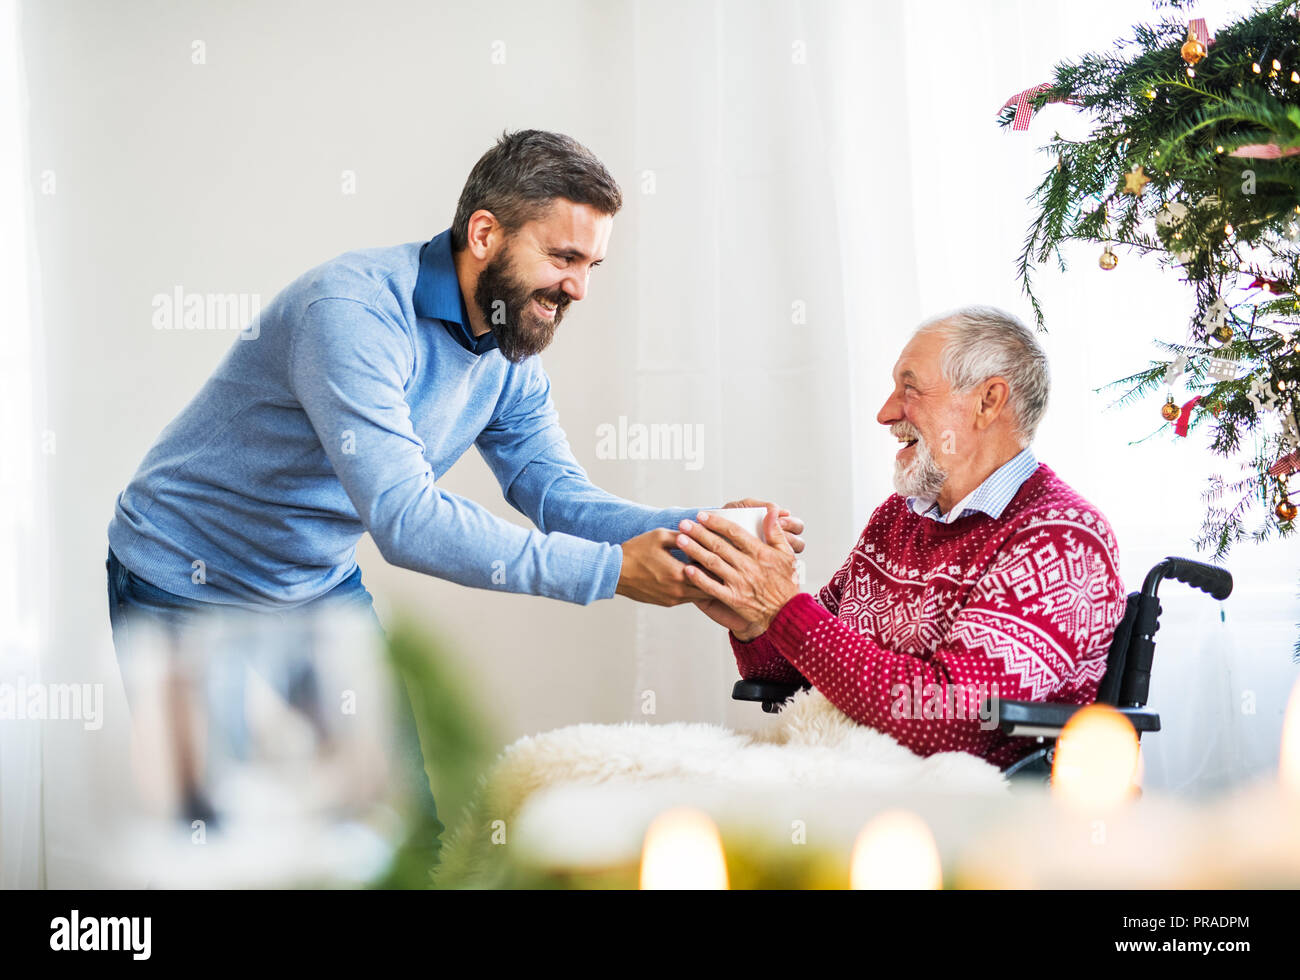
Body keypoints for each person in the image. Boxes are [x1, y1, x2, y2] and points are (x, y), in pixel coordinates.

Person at [106, 130, 804, 874]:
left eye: (592, 265)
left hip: (312, 584)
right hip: (179, 579)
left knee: (401, 835)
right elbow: (405, 520)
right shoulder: (350, 311)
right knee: (221, 848)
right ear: (483, 234)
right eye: (564, 258)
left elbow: (557, 495)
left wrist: (702, 532)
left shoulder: (508, 350)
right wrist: (608, 572)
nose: (579, 289)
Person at [676, 306, 1126, 770]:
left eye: (909, 389)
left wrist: (782, 607)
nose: (885, 413)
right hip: (848, 773)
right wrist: (752, 616)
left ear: (988, 401)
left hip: (977, 805)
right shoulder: (899, 518)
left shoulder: (1061, 539)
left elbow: (952, 719)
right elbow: (793, 672)